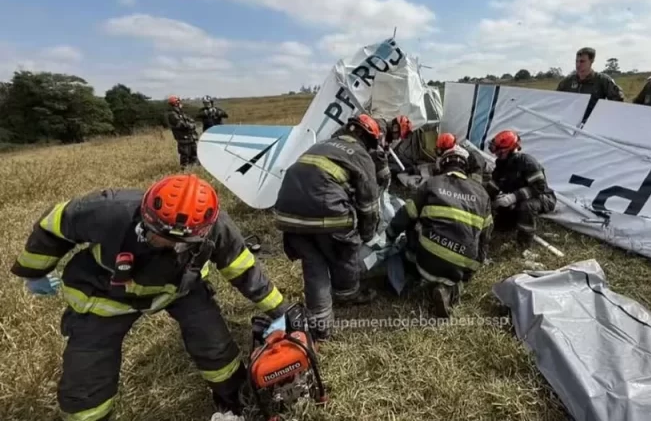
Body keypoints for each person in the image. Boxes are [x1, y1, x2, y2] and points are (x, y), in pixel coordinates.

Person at [10, 174, 290, 421]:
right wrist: (35, 271)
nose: (165, 243)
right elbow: (53, 225)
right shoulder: (109, 210)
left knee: (213, 341)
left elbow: (244, 270)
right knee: (88, 369)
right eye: (158, 234)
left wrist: (280, 311)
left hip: (180, 289)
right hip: (104, 295)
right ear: (145, 212)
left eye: (178, 241)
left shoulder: (217, 228)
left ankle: (232, 396)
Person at [274, 114, 383, 340]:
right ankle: (347, 294)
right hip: (328, 215)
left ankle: (320, 327)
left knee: (314, 266)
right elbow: (369, 204)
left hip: (288, 215)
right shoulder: (360, 155)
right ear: (363, 137)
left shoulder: (320, 145)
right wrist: (366, 235)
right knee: (343, 253)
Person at [384, 145, 493, 317]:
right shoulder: (482, 193)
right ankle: (451, 288)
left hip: (427, 260)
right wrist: (471, 270)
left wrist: (389, 235)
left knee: (416, 221)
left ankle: (412, 273)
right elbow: (485, 238)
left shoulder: (432, 183)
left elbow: (406, 214)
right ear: (465, 166)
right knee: (470, 239)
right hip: (460, 264)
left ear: (442, 165)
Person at [485, 130, 557, 248]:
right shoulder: (502, 164)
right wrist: (485, 198)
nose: (496, 155)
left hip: (542, 197)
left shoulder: (527, 163)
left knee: (527, 206)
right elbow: (494, 185)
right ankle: (510, 224)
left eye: (500, 152)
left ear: (511, 150)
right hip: (519, 197)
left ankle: (523, 244)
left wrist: (513, 197)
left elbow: (539, 187)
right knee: (502, 221)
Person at [333, 114, 411, 192]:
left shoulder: (384, 133)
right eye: (398, 135)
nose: (397, 138)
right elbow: (377, 154)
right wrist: (386, 179)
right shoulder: (381, 129)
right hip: (344, 150)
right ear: (395, 128)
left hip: (341, 146)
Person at [556, 47, 625, 125]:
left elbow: (618, 103)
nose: (578, 65)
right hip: (570, 124)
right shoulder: (567, 81)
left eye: (582, 61)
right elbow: (556, 102)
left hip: (594, 124)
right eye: (576, 61)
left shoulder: (602, 80)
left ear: (591, 61)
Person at [165, 95, 199, 168]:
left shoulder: (180, 113)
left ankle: (194, 169)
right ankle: (185, 171)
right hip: (183, 138)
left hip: (190, 137)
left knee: (194, 153)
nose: (180, 103)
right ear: (176, 103)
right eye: (178, 101)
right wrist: (191, 125)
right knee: (185, 154)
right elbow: (181, 125)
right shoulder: (172, 114)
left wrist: (190, 124)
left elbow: (191, 120)